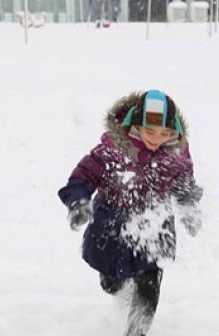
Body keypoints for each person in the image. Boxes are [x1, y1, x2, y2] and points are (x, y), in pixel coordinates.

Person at [58, 90, 202, 336]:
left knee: (150, 281)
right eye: (151, 131)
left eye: (166, 133)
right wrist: (79, 201)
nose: (157, 139)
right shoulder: (112, 151)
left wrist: (188, 206)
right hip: (112, 225)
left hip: (155, 224)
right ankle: (116, 284)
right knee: (111, 283)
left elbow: (184, 184)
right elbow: (83, 176)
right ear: (135, 125)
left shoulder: (176, 154)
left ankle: (137, 331)